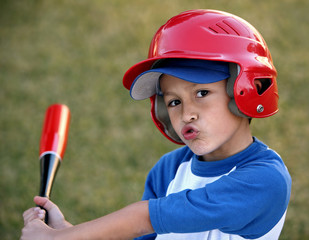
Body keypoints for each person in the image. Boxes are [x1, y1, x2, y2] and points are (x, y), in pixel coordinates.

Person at [21, 9, 291, 240]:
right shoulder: (169, 170)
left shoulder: (266, 179)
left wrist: (64, 238)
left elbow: (148, 218)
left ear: (243, 89)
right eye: (173, 102)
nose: (187, 114)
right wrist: (68, 231)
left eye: (201, 93)